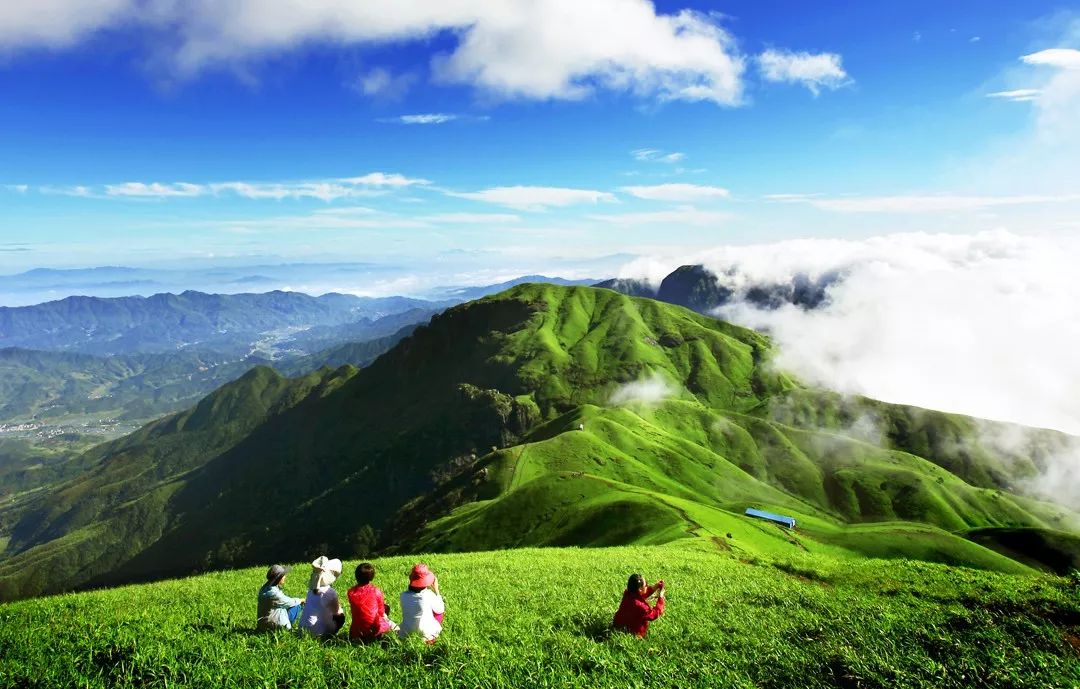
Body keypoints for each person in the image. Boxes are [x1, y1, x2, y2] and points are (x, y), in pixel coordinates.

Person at [347, 562, 399, 643]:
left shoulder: (351, 592)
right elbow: (381, 612)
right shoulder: (376, 591)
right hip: (375, 629)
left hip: (356, 632)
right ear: (372, 577)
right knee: (395, 626)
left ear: (356, 576)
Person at [298, 556, 346, 639]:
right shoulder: (329, 592)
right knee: (341, 616)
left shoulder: (311, 589)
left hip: (302, 629)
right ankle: (329, 636)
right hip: (315, 632)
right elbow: (336, 612)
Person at [398, 563, 445, 643]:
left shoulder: (403, 595)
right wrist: (437, 590)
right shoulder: (428, 595)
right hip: (425, 633)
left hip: (406, 633)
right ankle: (431, 637)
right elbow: (440, 609)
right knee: (438, 612)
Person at [612, 573, 665, 638]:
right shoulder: (641, 606)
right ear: (640, 589)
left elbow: (641, 594)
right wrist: (661, 598)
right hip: (632, 634)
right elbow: (654, 614)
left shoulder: (627, 593)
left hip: (617, 627)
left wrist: (654, 587)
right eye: (646, 585)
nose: (647, 586)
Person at [257, 564, 304, 631]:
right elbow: (290, 602)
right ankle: (287, 629)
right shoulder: (274, 593)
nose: (285, 577)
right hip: (273, 626)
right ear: (279, 578)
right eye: (283, 576)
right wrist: (302, 600)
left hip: (262, 625)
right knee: (298, 606)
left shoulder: (264, 588)